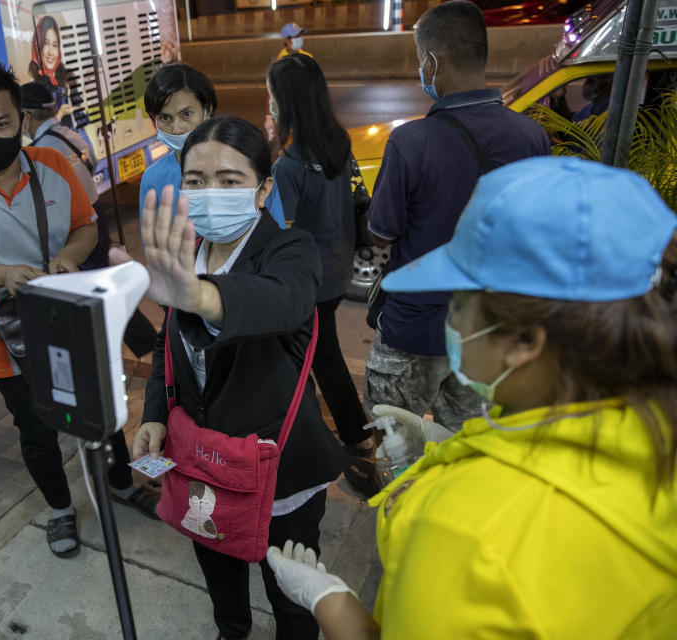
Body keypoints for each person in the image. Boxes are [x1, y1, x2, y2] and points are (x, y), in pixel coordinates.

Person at [265, 156, 677, 639]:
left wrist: (328, 600)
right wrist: (446, 447)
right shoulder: (651, 425)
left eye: (459, 301)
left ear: (525, 341)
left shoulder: (466, 532)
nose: (451, 319)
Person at [0, 62, 160, 559]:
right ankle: (59, 509)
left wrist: (70, 255)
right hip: (6, 341)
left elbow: (85, 226)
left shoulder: (51, 164)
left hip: (73, 326)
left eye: (1, 124)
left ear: (21, 119)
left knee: (104, 415)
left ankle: (120, 484)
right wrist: (1, 274)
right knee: (36, 431)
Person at [127, 117, 347, 640]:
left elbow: (284, 301)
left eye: (230, 181)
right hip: (203, 458)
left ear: (262, 188)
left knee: (290, 591)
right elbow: (168, 342)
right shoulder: (189, 249)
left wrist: (203, 296)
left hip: (279, 466)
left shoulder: (288, 249)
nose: (211, 194)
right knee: (219, 573)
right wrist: (156, 413)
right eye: (197, 181)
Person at [365, 0, 550, 432]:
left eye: (419, 62)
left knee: (396, 450)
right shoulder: (532, 137)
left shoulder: (410, 142)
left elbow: (382, 232)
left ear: (432, 61)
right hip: (488, 331)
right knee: (467, 449)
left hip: (416, 329)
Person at [267, 54, 376, 493]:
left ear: (285, 101)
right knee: (322, 354)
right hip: (336, 272)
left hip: (307, 284)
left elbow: (281, 234)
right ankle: (354, 435)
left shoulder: (288, 166)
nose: (268, 102)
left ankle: (352, 439)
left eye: (271, 94)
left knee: (313, 360)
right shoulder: (338, 143)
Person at [22, 80, 158, 357]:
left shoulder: (42, 151)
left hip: (74, 230)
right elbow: (93, 164)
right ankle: (145, 344)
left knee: (96, 289)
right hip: (96, 218)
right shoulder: (70, 135)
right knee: (102, 283)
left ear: (27, 115)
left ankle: (141, 346)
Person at [139, 63, 286, 229]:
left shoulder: (248, 161)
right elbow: (154, 247)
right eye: (165, 118)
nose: (176, 128)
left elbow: (278, 232)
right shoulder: (153, 179)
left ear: (207, 110)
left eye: (186, 114)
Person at [29, 14, 84, 129]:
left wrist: (82, 104)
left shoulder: (68, 75)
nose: (51, 52)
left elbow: (82, 117)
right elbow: (36, 132)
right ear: (37, 45)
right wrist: (60, 114)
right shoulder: (33, 85)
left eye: (55, 45)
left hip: (73, 139)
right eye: (46, 44)